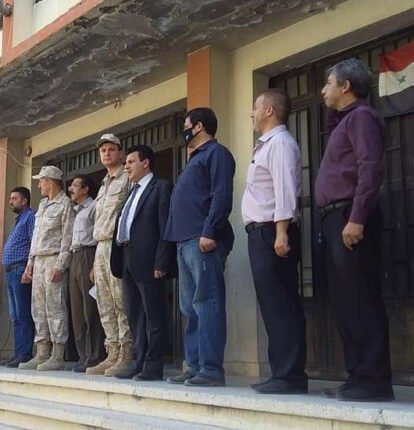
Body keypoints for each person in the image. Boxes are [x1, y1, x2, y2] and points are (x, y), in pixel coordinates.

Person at [315, 58, 393, 402]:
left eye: (328, 83)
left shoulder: (362, 117)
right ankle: (357, 376)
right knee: (346, 302)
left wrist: (358, 217)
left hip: (351, 216)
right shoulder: (344, 121)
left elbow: (370, 167)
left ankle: (374, 381)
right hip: (336, 219)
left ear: (345, 86)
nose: (323, 91)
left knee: (361, 299)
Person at [165, 107, 236, 387]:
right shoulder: (194, 158)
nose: (183, 130)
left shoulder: (216, 154)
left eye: (186, 125)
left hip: (202, 240)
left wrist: (210, 230)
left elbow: (222, 195)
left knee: (207, 303)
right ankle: (194, 365)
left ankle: (211, 369)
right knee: (189, 307)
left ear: (198, 126)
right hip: (184, 241)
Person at [243, 89, 307, 394]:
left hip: (273, 231)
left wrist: (281, 232)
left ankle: (290, 376)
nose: (252, 113)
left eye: (256, 107)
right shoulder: (265, 145)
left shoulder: (280, 143)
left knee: (281, 304)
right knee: (272, 305)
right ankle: (281, 372)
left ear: (269, 110)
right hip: (262, 232)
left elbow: (285, 190)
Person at [110, 145, 177, 381]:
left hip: (149, 260)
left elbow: (165, 226)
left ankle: (153, 364)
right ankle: (138, 362)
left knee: (153, 314)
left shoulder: (161, 187)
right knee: (135, 315)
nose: (126, 166)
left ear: (146, 163)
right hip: (127, 257)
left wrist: (162, 260)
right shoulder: (131, 192)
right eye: (126, 163)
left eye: (130, 162)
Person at [87, 134, 135, 377]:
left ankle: (127, 353)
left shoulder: (127, 178)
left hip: (118, 245)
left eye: (111, 149)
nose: (106, 153)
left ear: (120, 152)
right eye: (103, 150)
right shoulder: (104, 184)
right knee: (104, 302)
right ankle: (112, 352)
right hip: (101, 247)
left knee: (120, 300)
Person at [19, 165, 75, 371]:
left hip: (53, 259)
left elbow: (68, 237)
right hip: (39, 260)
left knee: (55, 307)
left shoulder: (65, 204)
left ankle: (57, 354)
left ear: (50, 182)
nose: (39, 185)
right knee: (38, 308)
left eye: (41, 181)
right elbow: (36, 237)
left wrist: (61, 265)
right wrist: (30, 264)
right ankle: (42, 352)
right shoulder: (42, 205)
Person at [67, 174, 105, 372]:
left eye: (75, 185)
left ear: (85, 189)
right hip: (75, 257)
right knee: (77, 311)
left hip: (88, 256)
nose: (71, 189)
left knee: (90, 309)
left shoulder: (94, 207)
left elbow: (98, 237)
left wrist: (96, 264)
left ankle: (95, 355)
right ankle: (83, 356)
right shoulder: (76, 211)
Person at [0, 187, 36, 368]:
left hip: (20, 270)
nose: (10, 202)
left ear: (24, 200)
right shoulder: (18, 220)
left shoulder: (30, 217)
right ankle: (18, 353)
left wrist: (29, 268)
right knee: (15, 316)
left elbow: (33, 243)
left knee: (23, 313)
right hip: (11, 271)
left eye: (14, 198)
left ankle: (25, 353)